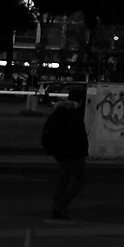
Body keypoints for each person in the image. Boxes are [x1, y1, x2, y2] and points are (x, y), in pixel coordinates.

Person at [41, 85, 89, 220]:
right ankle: (61, 205)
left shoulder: (59, 112)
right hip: (73, 152)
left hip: (59, 152)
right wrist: (84, 150)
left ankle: (58, 206)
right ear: (80, 100)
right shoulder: (75, 114)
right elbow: (78, 135)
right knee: (81, 179)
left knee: (63, 180)